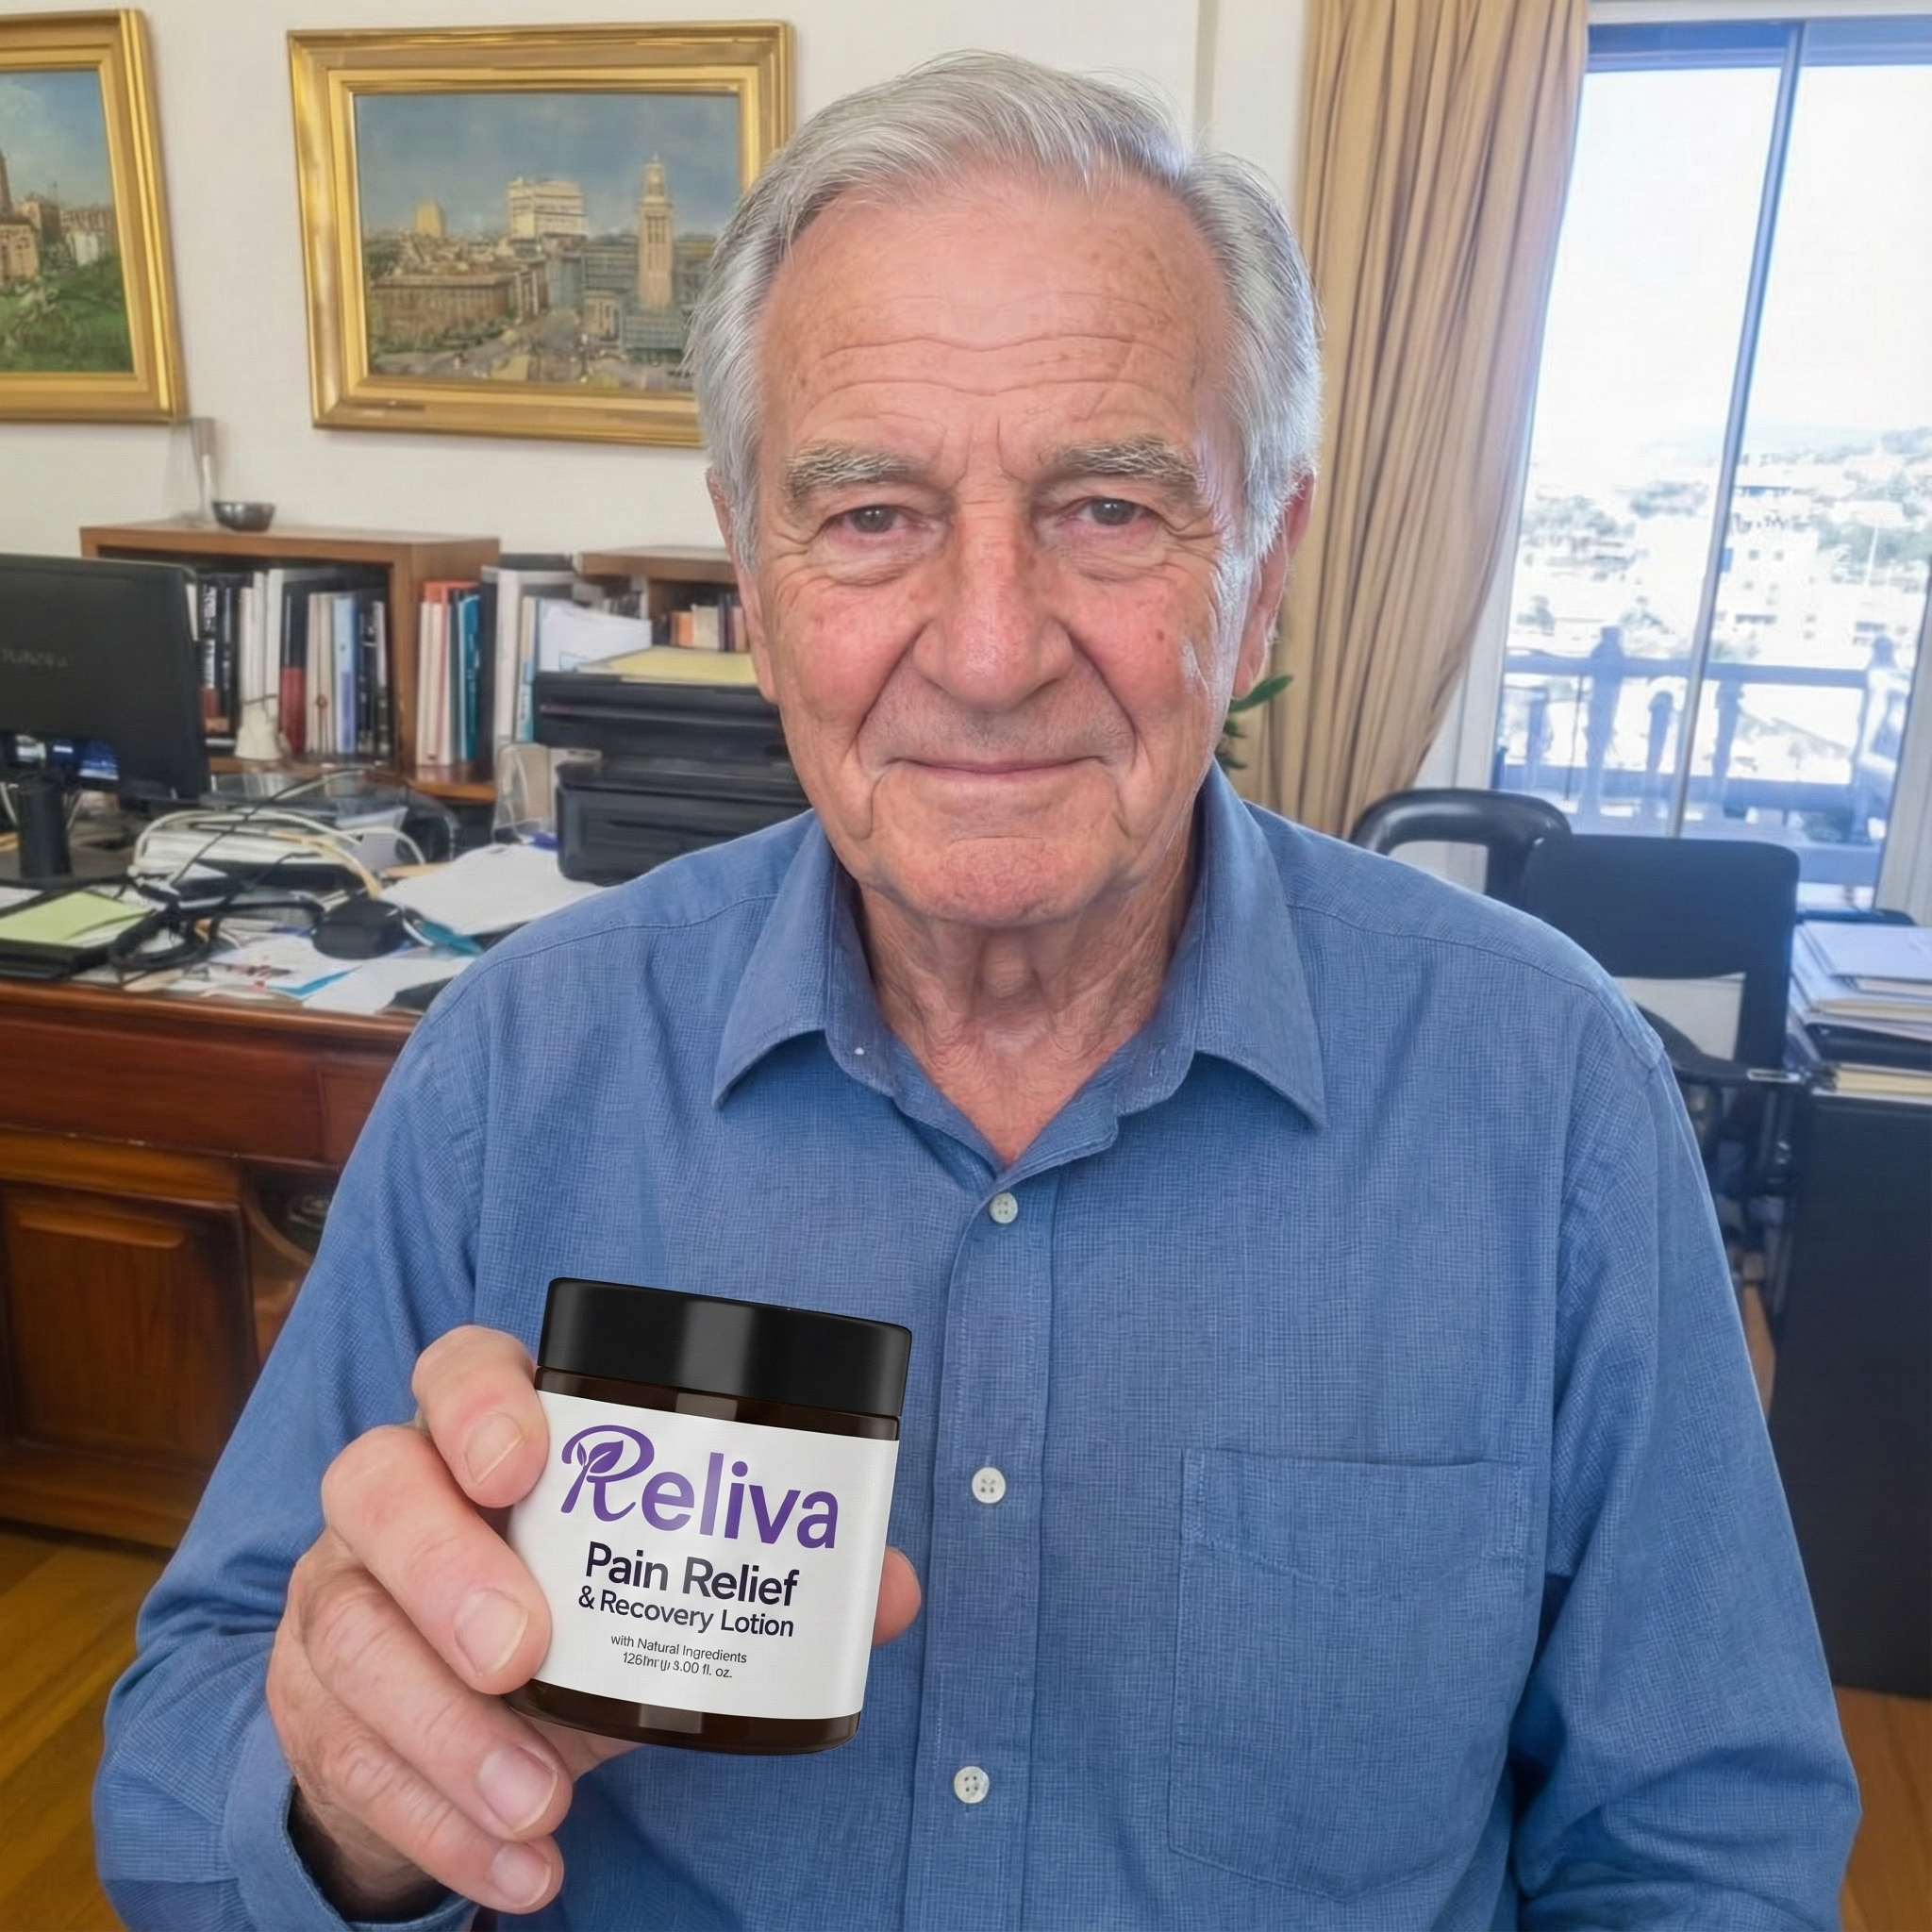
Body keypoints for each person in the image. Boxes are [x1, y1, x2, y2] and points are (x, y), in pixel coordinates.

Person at [96, 53, 1857, 1931]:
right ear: (754, 577)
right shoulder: (511, 1069)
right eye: (871, 514)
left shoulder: (1550, 1090)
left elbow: (1705, 1846)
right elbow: (176, 1783)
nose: (994, 650)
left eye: (1108, 508)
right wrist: (366, 1808)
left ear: (1263, 568)